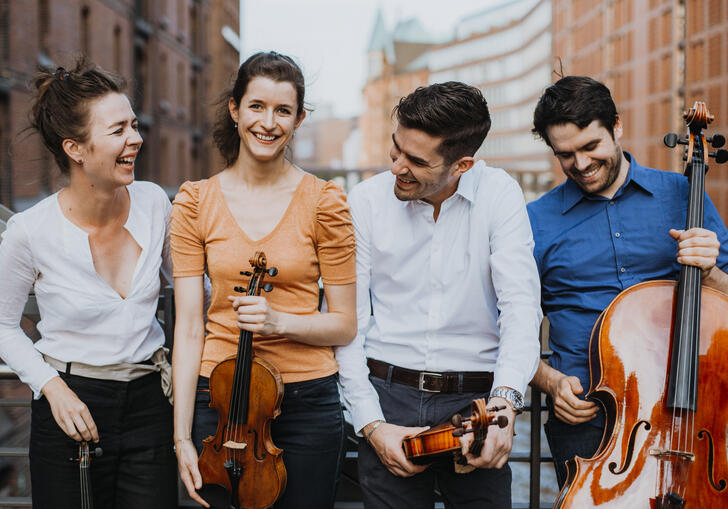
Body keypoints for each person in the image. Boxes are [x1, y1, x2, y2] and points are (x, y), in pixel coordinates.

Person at [335, 81, 542, 509]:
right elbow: (347, 322)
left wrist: (505, 407)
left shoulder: (500, 193)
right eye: (396, 151)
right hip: (387, 395)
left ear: (462, 164)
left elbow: (521, 309)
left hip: (478, 403)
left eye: (416, 160)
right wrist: (372, 424)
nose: (397, 168)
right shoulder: (366, 200)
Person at [170, 51, 357, 509]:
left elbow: (344, 324)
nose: (267, 122)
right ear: (235, 109)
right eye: (256, 106)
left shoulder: (325, 203)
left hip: (306, 401)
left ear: (298, 119)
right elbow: (190, 327)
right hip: (217, 399)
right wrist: (181, 437)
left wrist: (280, 323)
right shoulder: (195, 202)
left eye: (283, 110)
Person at [527, 75, 728, 488]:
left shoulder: (683, 193)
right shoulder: (535, 221)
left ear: (616, 126)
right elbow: (503, 327)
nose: (580, 165)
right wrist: (548, 381)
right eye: (565, 155)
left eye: (590, 147)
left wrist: (712, 272)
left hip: (689, 409)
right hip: (588, 418)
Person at [0, 60, 177, 508]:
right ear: (75, 148)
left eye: (134, 125)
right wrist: (51, 387)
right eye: (118, 129)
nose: (135, 138)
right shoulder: (29, 230)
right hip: (69, 406)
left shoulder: (155, 202)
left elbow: (199, 294)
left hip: (151, 402)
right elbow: (2, 325)